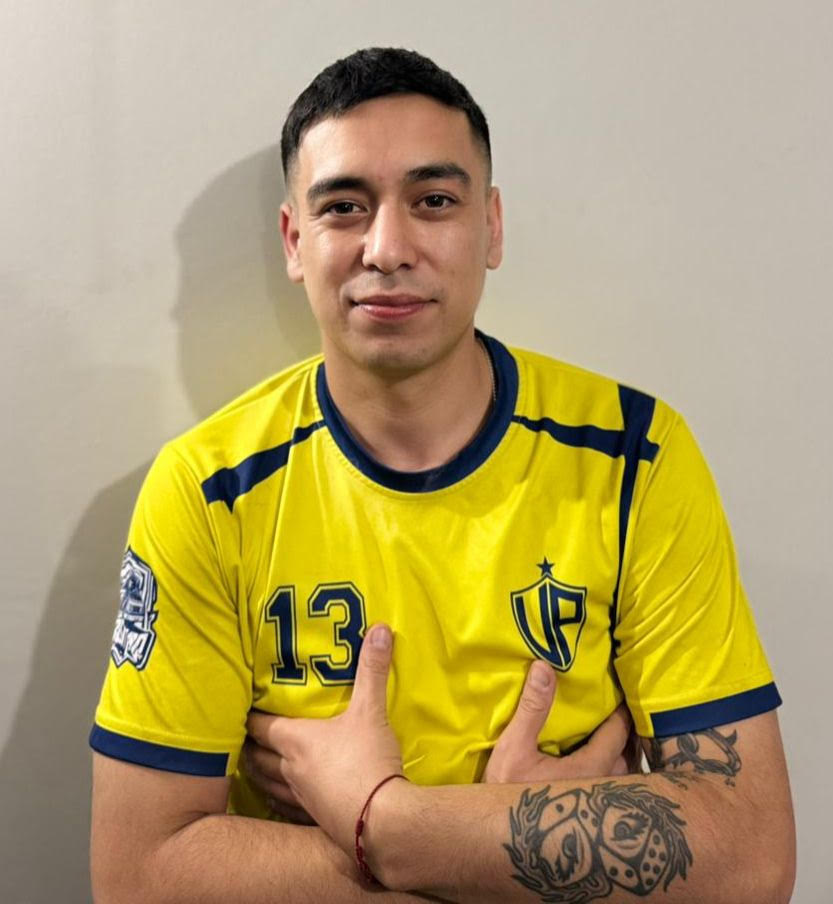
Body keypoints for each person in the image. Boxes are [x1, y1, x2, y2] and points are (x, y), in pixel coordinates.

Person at [89, 47, 795, 902]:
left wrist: (382, 819)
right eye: (343, 207)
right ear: (295, 241)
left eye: (432, 201)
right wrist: (517, 847)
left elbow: (752, 861)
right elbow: (136, 877)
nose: (387, 248)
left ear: (490, 227)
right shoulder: (209, 490)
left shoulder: (633, 457)